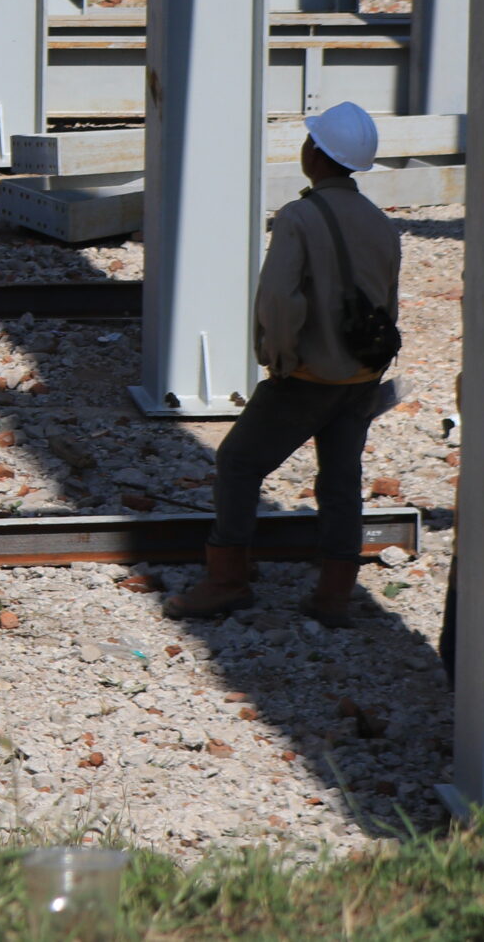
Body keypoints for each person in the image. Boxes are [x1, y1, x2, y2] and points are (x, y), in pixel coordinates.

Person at [167, 100, 403, 627]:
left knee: (237, 463)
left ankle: (227, 580)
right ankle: (334, 596)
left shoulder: (300, 217)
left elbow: (279, 300)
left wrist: (279, 359)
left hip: (309, 377)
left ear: (315, 153)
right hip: (362, 377)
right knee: (340, 482)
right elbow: (387, 303)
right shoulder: (381, 222)